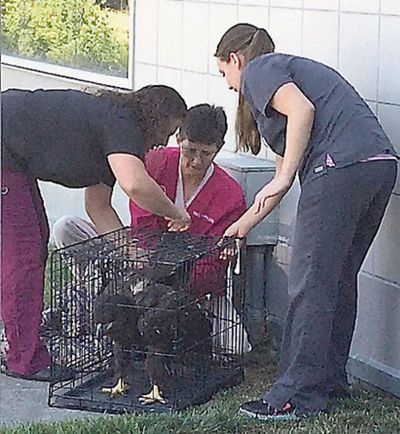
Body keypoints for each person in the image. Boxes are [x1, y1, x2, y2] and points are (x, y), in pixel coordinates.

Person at [215, 23, 398, 420]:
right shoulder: (287, 77)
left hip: (338, 168)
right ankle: (329, 380)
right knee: (336, 278)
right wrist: (243, 225)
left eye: (223, 73)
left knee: (311, 282)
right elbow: (280, 179)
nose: (229, 86)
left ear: (235, 59)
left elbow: (303, 111)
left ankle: (295, 396)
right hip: (378, 165)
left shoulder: (261, 70)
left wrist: (285, 177)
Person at [1, 85, 190, 381]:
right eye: (169, 131)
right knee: (22, 257)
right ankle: (24, 360)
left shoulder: (112, 134)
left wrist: (132, 253)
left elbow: (98, 207)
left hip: (13, 155)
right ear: (155, 118)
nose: (163, 143)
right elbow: (135, 184)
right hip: (4, 146)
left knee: (36, 239)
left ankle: (20, 345)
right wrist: (175, 212)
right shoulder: (121, 125)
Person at [53, 104, 251, 354]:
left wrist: (176, 294)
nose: (196, 161)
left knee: (236, 347)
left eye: (206, 153)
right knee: (67, 228)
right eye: (190, 150)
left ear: (218, 149)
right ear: (178, 138)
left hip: (190, 286)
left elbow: (214, 261)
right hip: (140, 261)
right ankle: (101, 293)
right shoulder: (156, 162)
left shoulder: (230, 194)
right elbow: (142, 224)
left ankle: (139, 313)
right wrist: (141, 263)